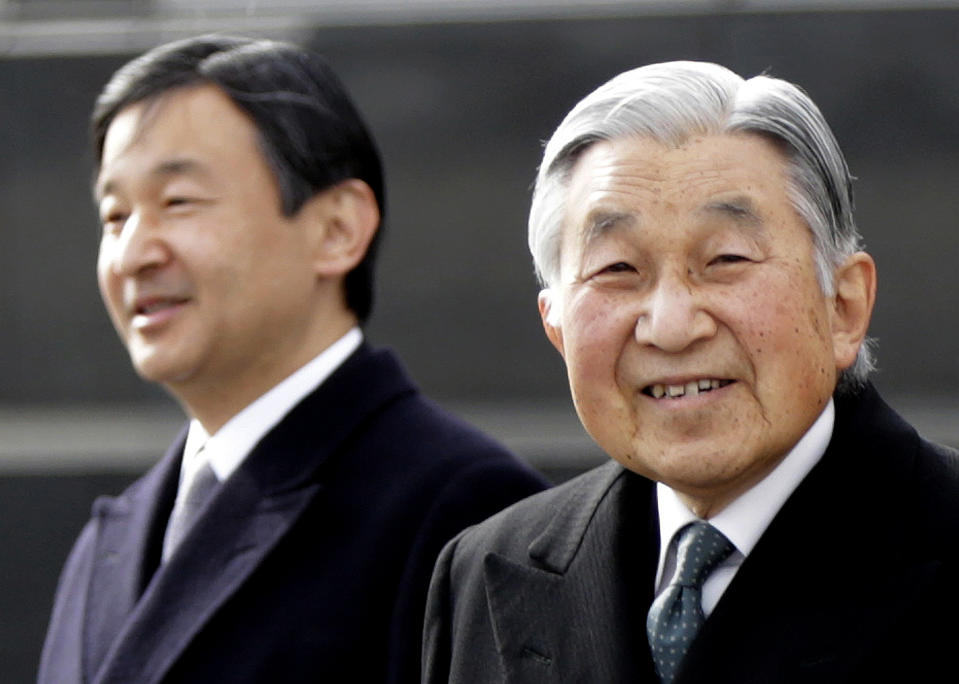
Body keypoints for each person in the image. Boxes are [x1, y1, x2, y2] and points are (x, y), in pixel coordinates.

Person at [423, 61, 959, 683]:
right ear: (558, 328)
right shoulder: (485, 569)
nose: (671, 324)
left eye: (726, 257)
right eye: (618, 269)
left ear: (844, 305)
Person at [38, 35, 546, 684]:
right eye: (114, 216)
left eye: (177, 202)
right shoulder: (109, 542)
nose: (134, 253)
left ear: (336, 229)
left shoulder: (463, 513)